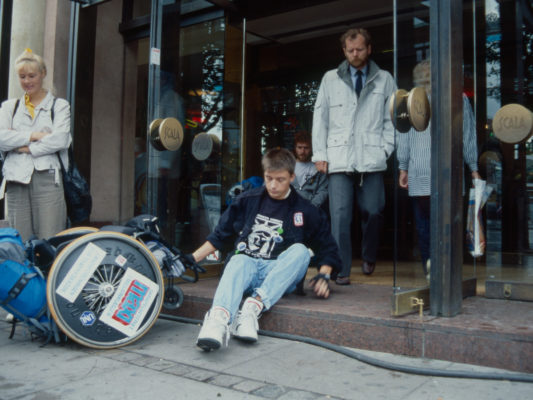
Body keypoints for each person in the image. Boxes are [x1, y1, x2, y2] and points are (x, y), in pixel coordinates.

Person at [192, 148, 341, 351]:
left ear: (291, 177)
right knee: (238, 259)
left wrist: (324, 275)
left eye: (280, 179)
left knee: (301, 251)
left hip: (279, 274)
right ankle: (217, 321)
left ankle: (252, 309)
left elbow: (328, 247)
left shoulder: (305, 210)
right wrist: (191, 260)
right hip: (248, 268)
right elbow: (219, 236)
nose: (273, 185)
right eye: (269, 178)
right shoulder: (247, 200)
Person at [312, 28, 395, 284]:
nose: (355, 54)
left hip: (371, 156)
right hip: (338, 158)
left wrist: (385, 149)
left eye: (359, 49)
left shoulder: (384, 79)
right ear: (344, 51)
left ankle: (369, 255)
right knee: (340, 216)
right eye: (350, 50)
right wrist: (320, 154)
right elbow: (320, 117)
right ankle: (341, 268)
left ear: (369, 49)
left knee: (374, 210)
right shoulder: (329, 79)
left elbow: (392, 119)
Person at [397, 59, 481, 279]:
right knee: (447, 224)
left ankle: (431, 267)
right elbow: (468, 136)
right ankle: (447, 268)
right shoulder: (458, 100)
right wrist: (473, 167)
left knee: (425, 225)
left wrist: (403, 167)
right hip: (446, 172)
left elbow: (403, 136)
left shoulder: (409, 102)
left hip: (420, 171)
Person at [0, 49, 71, 241]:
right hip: (16, 179)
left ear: (43, 74)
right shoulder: (10, 107)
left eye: (32, 75)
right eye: (22, 76)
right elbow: (1, 138)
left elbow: (61, 139)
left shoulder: (59, 106)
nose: (27, 81)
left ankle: (48, 272)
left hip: (48, 178)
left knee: (50, 239)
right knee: (18, 241)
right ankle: (23, 272)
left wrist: (24, 147)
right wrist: (35, 135)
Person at [293, 131, 328, 208]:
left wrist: (311, 209)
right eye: (299, 147)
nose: (302, 151)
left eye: (306, 148)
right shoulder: (287, 166)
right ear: (295, 148)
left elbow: (323, 191)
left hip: (311, 208)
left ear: (312, 148)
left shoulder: (318, 167)